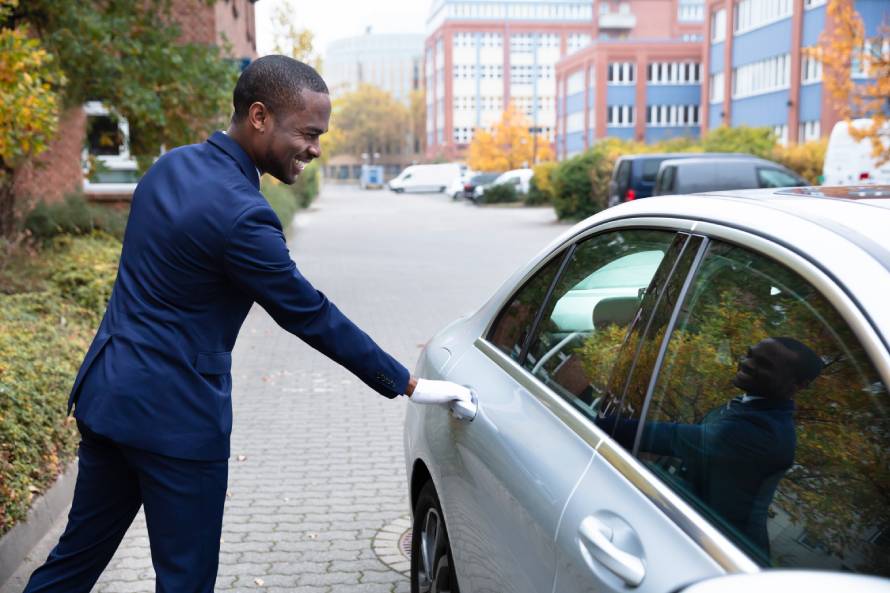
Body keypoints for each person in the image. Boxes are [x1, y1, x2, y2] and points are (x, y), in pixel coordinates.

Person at [22, 56, 471, 593]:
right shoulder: (243, 216)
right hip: (176, 425)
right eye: (307, 133)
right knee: (185, 582)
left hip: (108, 399)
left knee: (70, 565)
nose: (315, 149)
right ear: (259, 116)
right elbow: (310, 314)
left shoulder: (169, 167)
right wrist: (407, 382)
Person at [599, 337, 823, 559]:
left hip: (718, 554)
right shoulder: (754, 406)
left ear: (797, 385)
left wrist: (596, 423)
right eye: (749, 354)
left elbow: (672, 438)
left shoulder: (765, 434)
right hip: (691, 534)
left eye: (764, 364)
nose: (746, 363)